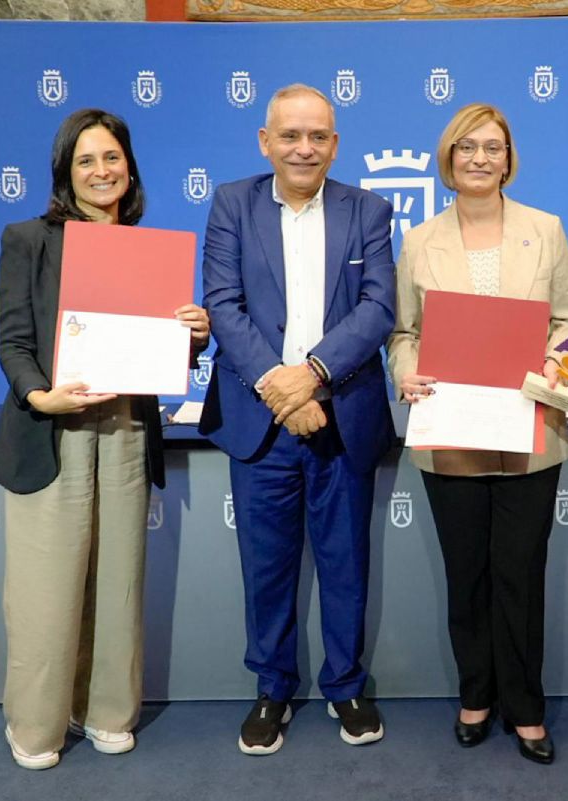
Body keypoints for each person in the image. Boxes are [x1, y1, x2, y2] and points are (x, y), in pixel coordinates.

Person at [0, 108, 210, 770]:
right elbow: (12, 339)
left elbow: (163, 357)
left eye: (112, 157)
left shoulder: (149, 249)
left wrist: (191, 335)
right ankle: (34, 723)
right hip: (51, 428)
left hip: (125, 429)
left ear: (129, 167)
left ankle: (107, 708)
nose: (101, 170)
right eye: (86, 160)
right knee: (45, 588)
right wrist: (40, 395)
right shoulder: (28, 238)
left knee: (117, 581)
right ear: (65, 172)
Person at [198, 84, 395, 755]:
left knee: (345, 561)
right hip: (260, 419)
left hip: (343, 411)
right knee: (267, 564)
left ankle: (344, 683)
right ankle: (273, 687)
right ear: (265, 140)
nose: (304, 147)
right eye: (290, 135)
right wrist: (279, 388)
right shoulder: (231, 203)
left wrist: (310, 374)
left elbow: (377, 309)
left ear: (335, 143)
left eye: (317, 136)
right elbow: (222, 303)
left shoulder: (368, 209)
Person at [388, 102, 568, 765]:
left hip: (528, 426)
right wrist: (408, 374)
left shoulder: (545, 228)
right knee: (466, 571)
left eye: (493, 147)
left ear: (510, 158)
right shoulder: (418, 240)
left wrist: (558, 363)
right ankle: (476, 694)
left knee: (521, 573)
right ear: (448, 158)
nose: (480, 158)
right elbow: (404, 332)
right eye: (467, 147)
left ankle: (525, 707)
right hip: (452, 430)